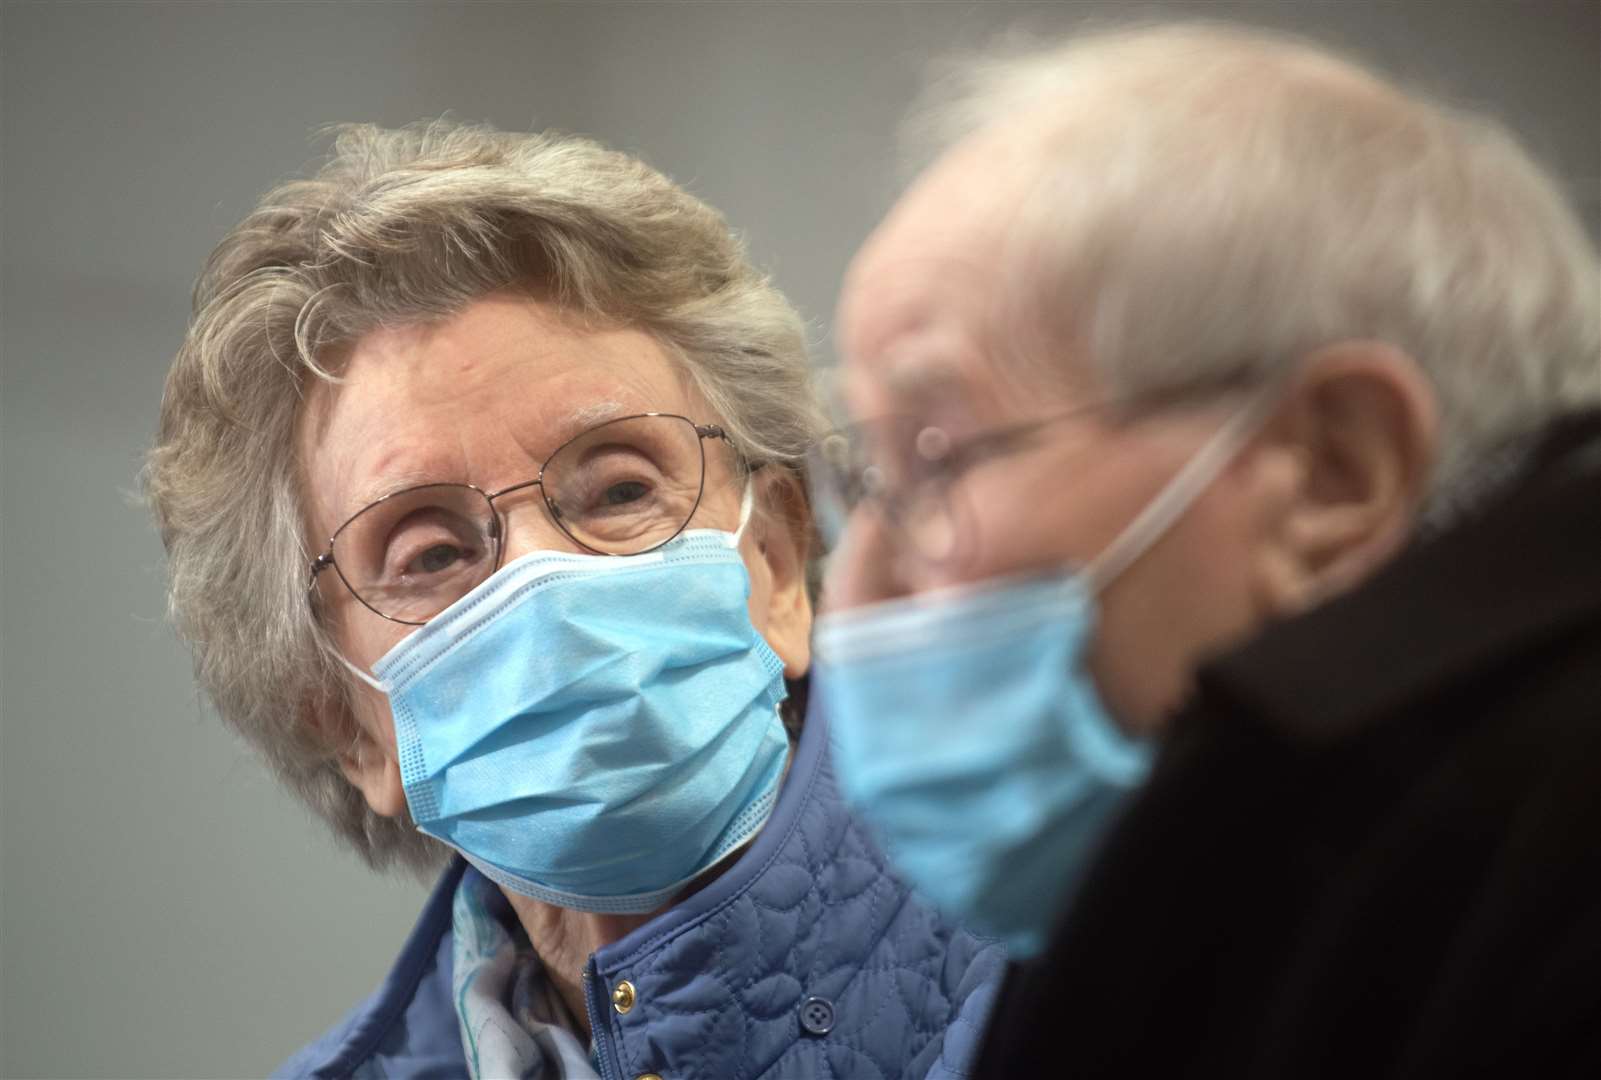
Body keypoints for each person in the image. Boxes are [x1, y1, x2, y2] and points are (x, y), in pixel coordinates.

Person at [810, 22, 1600, 1076]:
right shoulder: (1222, 882)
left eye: (939, 459)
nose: (853, 594)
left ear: (1329, 474)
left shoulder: (1539, 912)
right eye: (869, 482)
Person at [145, 121, 1004, 1079]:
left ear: (772, 563)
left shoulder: (1093, 968)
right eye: (430, 552)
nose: (545, 580)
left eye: (622, 490)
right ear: (344, 723)